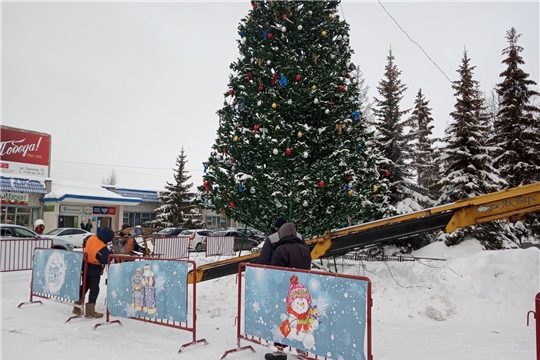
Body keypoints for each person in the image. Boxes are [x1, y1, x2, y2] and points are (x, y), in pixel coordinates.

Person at [264, 222, 311, 360]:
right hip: (301, 292)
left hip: (285, 292)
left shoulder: (282, 249)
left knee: (283, 319)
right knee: (300, 319)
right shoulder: (304, 249)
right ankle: (301, 351)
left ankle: (280, 351)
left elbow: (276, 273)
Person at [72, 227, 114, 318]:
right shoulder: (102, 248)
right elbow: (106, 260)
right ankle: (90, 311)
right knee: (94, 289)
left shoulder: (91, 237)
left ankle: (77, 308)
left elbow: (84, 241)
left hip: (85, 266)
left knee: (84, 287)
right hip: (94, 269)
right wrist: (111, 252)